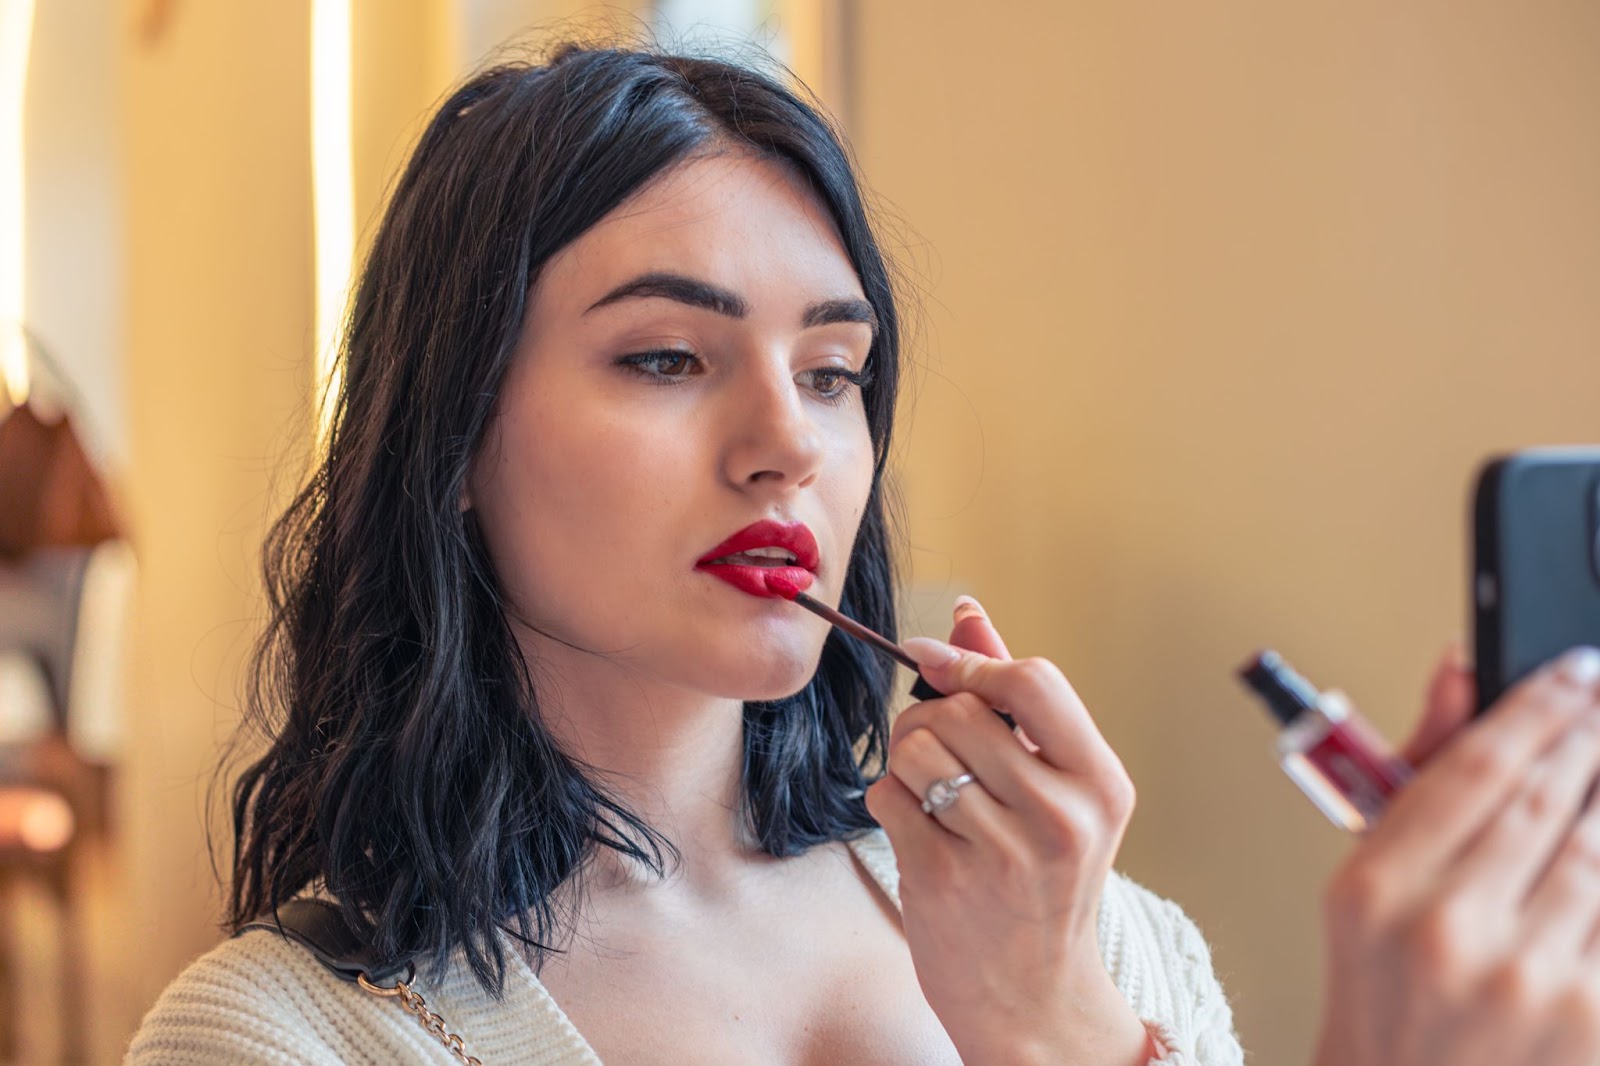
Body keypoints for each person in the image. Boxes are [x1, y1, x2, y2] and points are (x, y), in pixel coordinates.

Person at [122, 43, 1600, 1066]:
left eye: (835, 371)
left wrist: (1061, 1023)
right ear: (449, 439)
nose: (789, 441)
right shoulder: (279, 1035)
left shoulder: (1101, 935)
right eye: (664, 357)